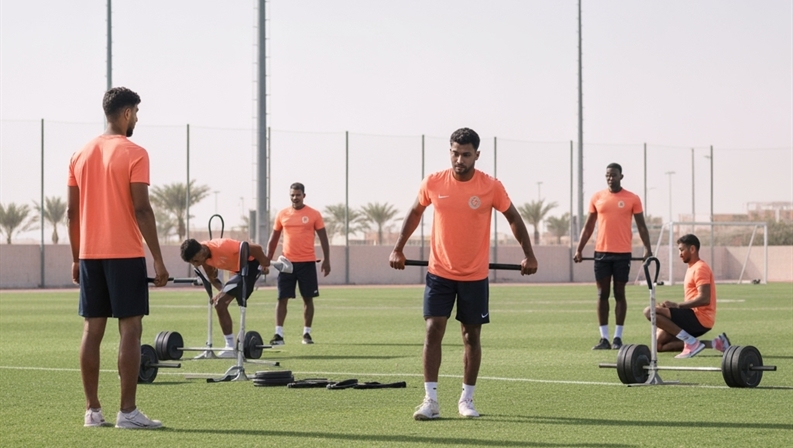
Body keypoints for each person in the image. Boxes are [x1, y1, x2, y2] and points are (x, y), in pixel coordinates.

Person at [389, 127, 538, 420]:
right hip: (439, 272)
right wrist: (398, 248)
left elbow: (513, 217)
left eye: (466, 155)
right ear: (450, 152)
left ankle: (466, 400)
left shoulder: (491, 186)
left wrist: (529, 254)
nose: (459, 160)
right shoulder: (433, 182)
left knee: (471, 336)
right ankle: (431, 401)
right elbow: (415, 212)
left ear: (476, 155)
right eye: (455, 153)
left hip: (474, 276)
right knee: (433, 330)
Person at [68, 87, 169, 429]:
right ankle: (127, 412)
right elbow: (142, 209)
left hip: (89, 255)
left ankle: (92, 412)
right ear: (126, 113)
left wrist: (76, 258)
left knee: (92, 329)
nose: (137, 119)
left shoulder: (79, 154)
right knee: (131, 328)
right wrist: (158, 259)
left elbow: (71, 213)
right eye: (136, 113)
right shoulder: (135, 152)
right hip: (124, 253)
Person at [573, 162, 653, 350]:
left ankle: (617, 338)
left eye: (614, 175)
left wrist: (647, 249)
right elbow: (588, 226)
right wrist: (579, 249)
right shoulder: (597, 197)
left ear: (621, 176)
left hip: (622, 253)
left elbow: (642, 226)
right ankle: (604, 338)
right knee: (602, 294)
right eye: (608, 175)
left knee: (619, 293)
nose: (610, 178)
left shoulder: (632, 198)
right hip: (601, 253)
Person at [179, 238, 273, 357]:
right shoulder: (204, 259)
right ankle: (231, 346)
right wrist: (223, 292)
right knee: (220, 304)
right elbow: (213, 279)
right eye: (192, 262)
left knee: (220, 303)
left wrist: (265, 262)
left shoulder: (222, 247)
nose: (196, 264)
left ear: (201, 251)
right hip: (238, 271)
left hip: (250, 266)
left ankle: (230, 347)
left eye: (195, 261)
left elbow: (256, 248)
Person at [643, 234, 730, 358]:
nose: (680, 254)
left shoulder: (700, 268)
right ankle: (715, 343)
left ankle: (691, 342)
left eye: (682, 250)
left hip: (699, 317)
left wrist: (677, 306)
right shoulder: (691, 268)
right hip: (691, 315)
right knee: (659, 345)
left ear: (692, 249)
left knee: (649, 311)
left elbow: (705, 298)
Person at [266, 182, 331, 345]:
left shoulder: (314, 214)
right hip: (286, 264)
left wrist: (327, 259)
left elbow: (323, 238)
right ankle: (278, 334)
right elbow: (273, 239)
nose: (295, 198)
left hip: (307, 263)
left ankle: (306, 334)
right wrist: (267, 259)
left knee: (308, 299)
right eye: (292, 195)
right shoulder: (282, 214)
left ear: (304, 195)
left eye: (298, 195)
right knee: (282, 298)